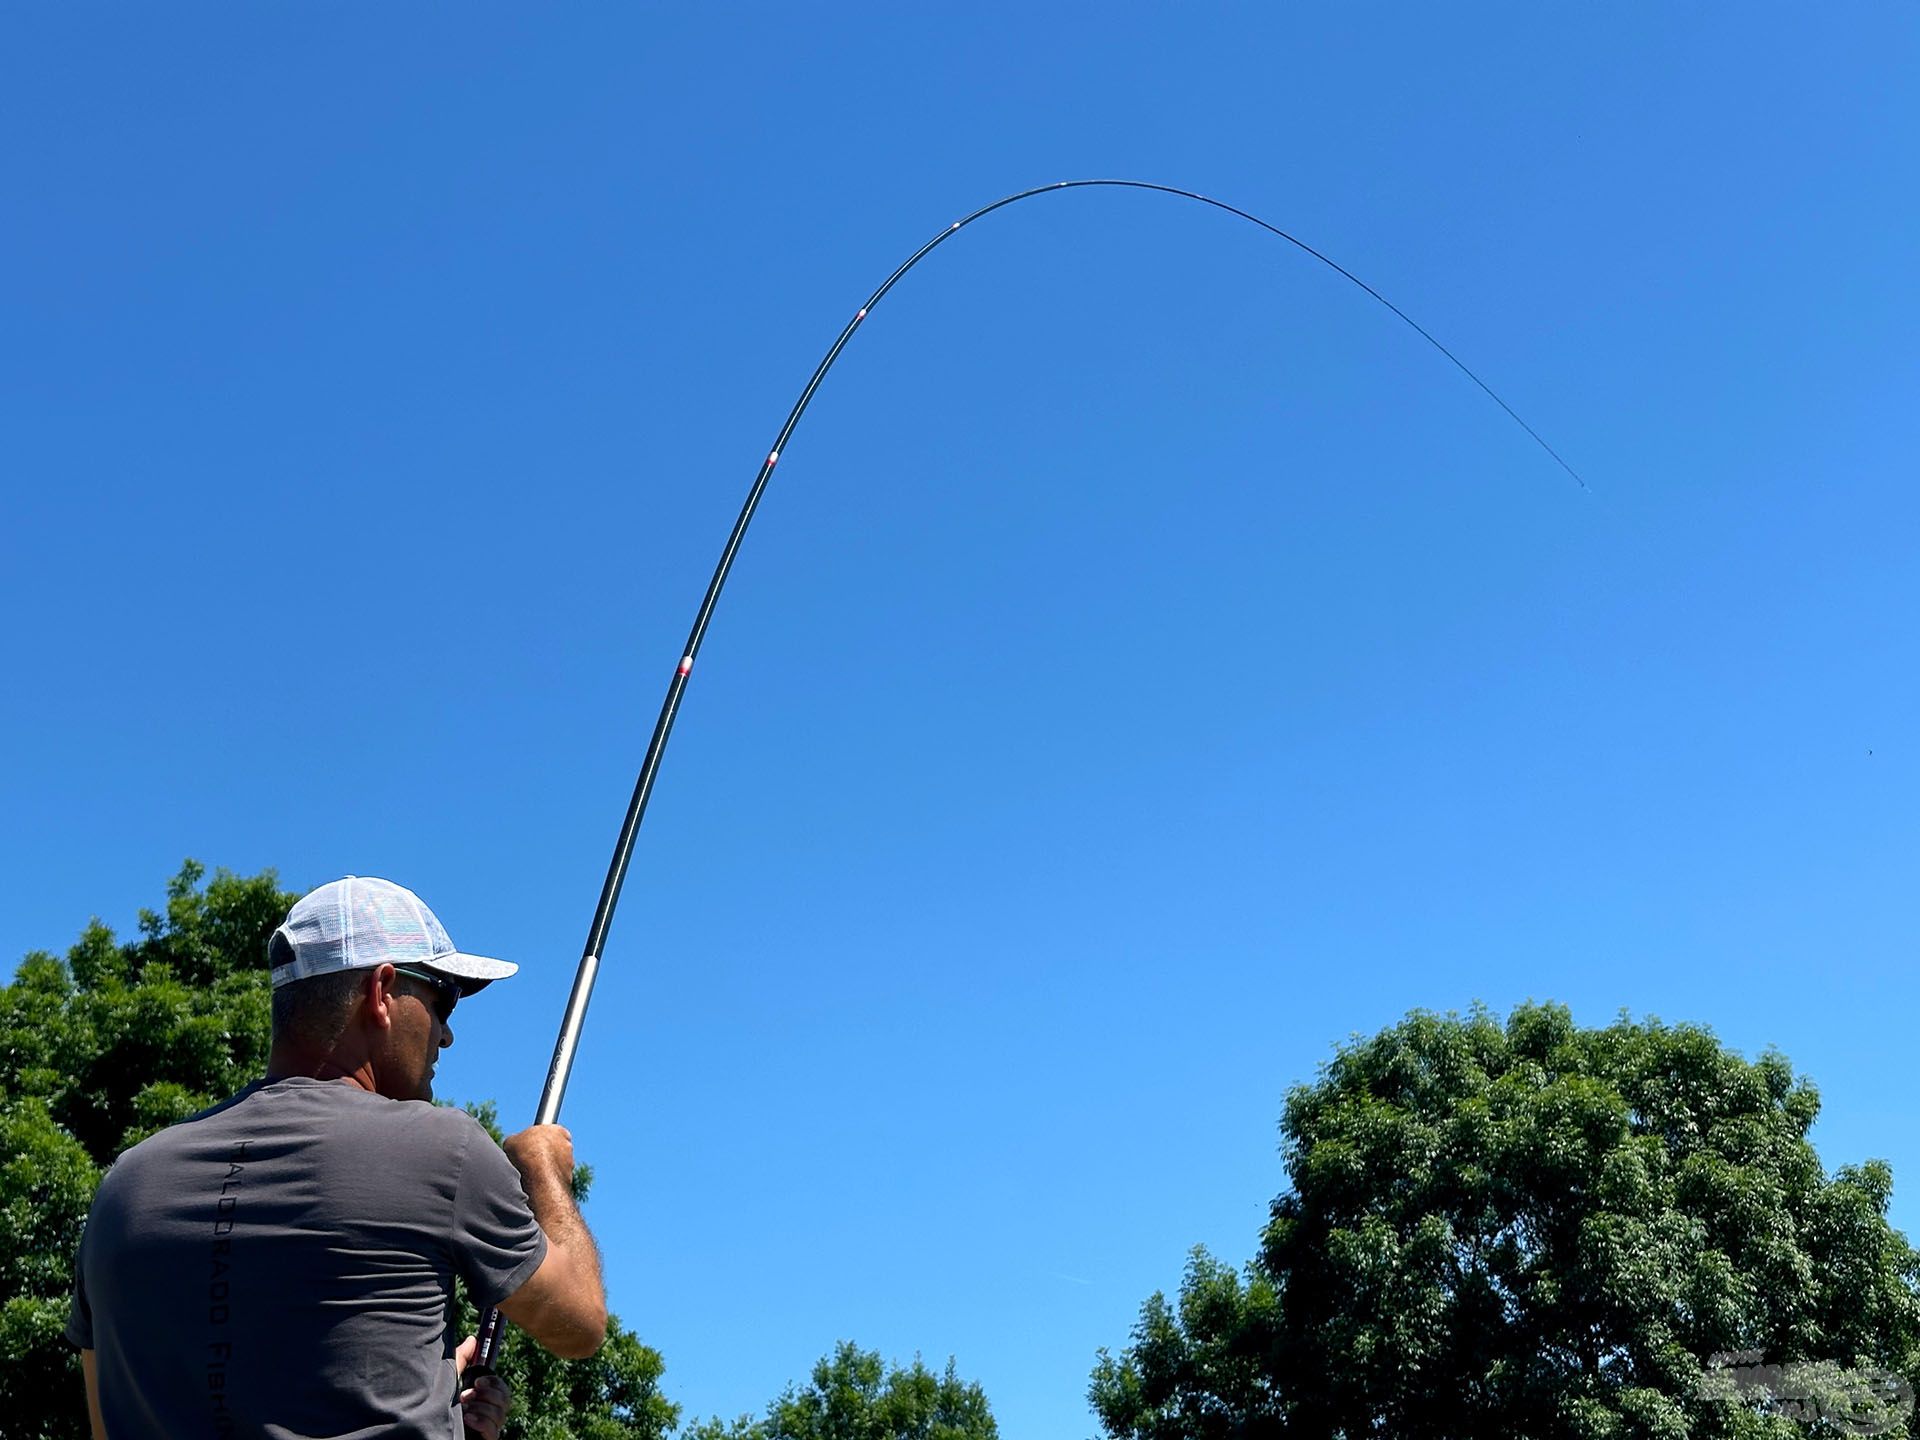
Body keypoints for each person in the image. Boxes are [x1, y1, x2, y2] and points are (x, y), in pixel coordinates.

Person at [66, 875, 608, 1440]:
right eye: (442, 997)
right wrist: (542, 1169)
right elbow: (579, 1323)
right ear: (382, 991)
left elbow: (106, 1425)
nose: (445, 1034)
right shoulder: (445, 1150)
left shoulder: (123, 1188)